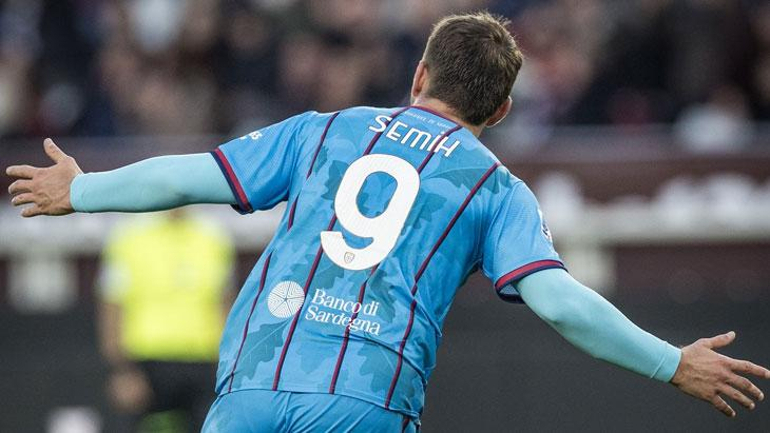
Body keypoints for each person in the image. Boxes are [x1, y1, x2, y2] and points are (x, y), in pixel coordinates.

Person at [6, 11, 770, 432]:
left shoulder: (323, 130)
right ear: (502, 110)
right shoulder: (495, 188)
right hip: (363, 401)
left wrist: (83, 189)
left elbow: (191, 174)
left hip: (252, 385)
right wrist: (670, 362)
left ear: (419, 74)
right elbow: (561, 302)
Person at [98, 209, 234, 432]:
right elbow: (112, 308)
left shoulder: (214, 236)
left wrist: (228, 367)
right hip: (146, 364)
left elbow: (225, 305)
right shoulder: (128, 236)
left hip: (202, 364)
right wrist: (122, 370)